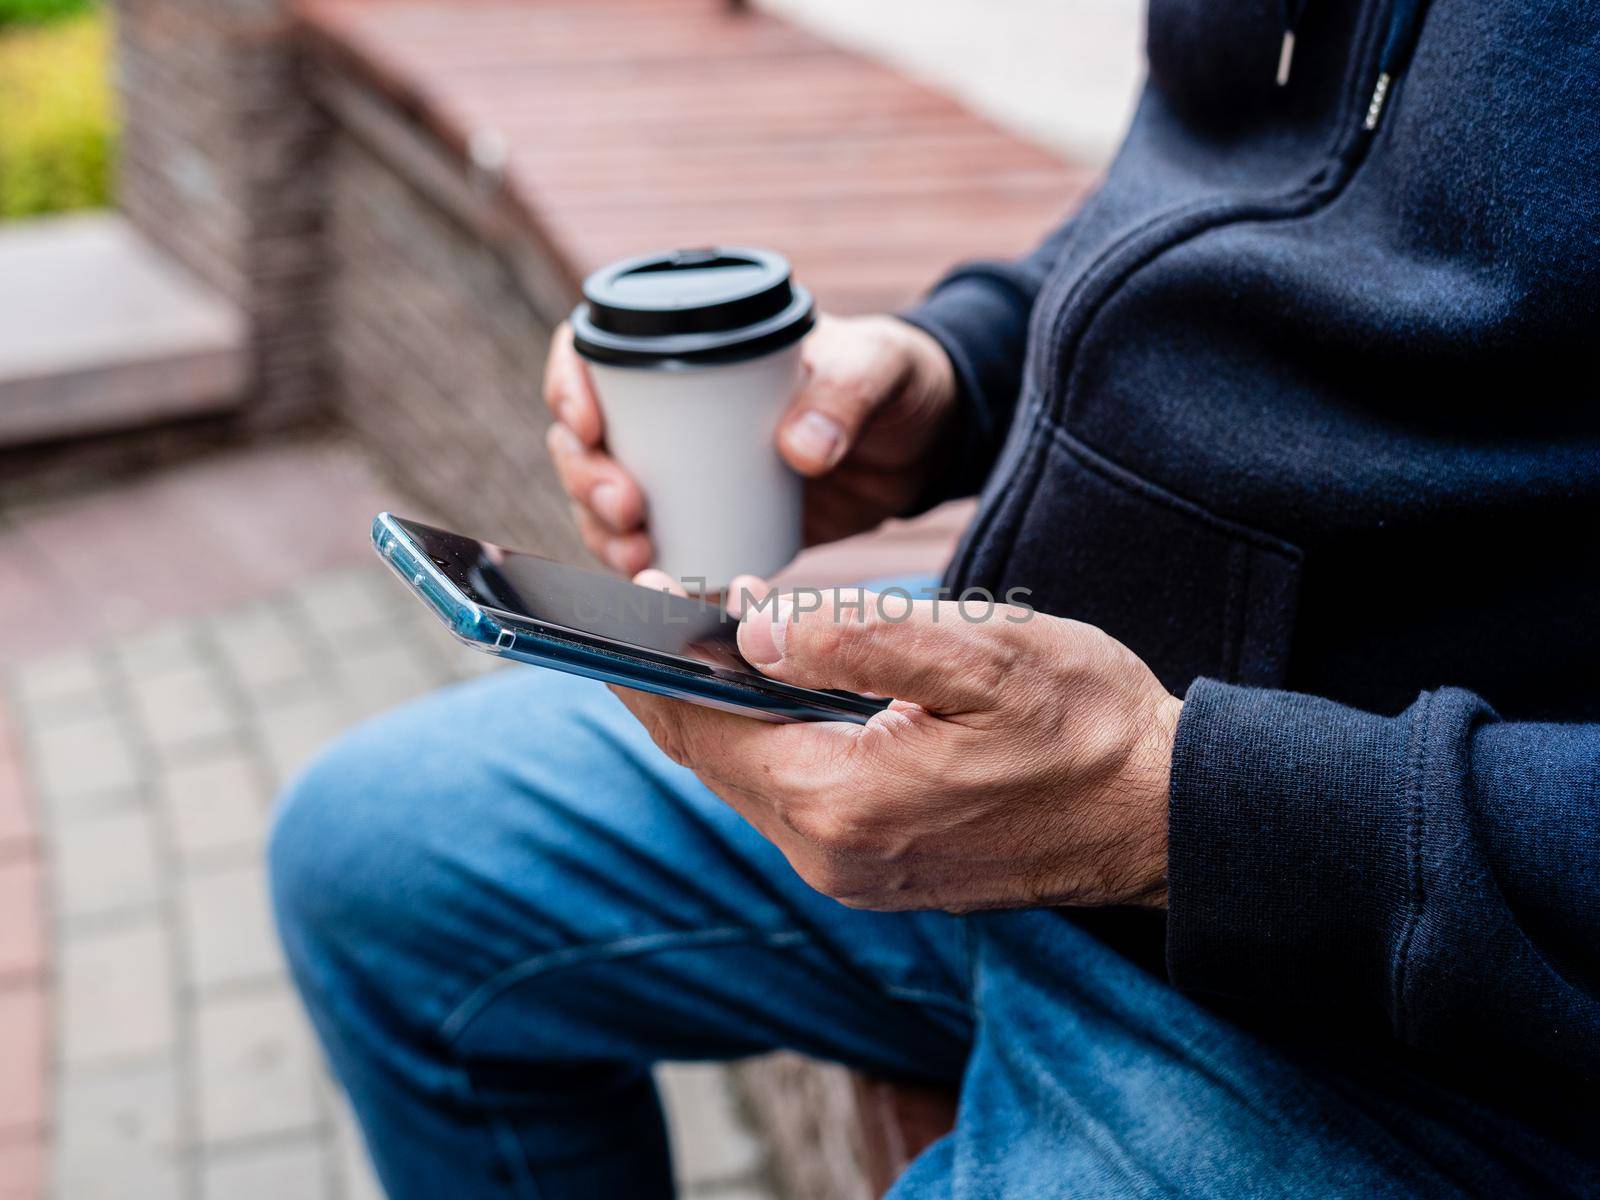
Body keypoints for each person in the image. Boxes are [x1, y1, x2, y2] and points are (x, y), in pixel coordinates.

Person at [269, 0, 1600, 1195]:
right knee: (373, 850)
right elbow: (1220, 194)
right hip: (1071, 731)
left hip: (1423, 1012)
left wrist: (1185, 810)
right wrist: (948, 376)